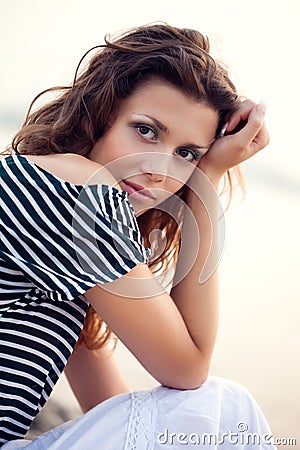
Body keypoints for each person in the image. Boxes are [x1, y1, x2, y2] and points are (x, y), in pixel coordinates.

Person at [0, 23, 275, 449]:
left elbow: (108, 405)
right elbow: (188, 371)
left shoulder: (54, 229)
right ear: (100, 112)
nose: (161, 169)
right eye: (146, 130)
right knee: (227, 406)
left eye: (187, 155)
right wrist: (209, 175)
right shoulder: (79, 190)